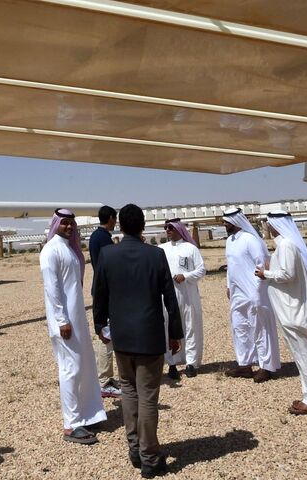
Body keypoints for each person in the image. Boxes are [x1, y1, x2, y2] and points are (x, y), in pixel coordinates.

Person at [93, 204, 183, 478]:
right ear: (143, 225)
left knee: (129, 392)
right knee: (148, 397)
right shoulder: (155, 255)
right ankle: (150, 457)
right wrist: (175, 333)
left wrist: (100, 325)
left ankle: (134, 448)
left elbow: (99, 293)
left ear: (120, 226)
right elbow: (170, 297)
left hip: (122, 337)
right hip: (149, 338)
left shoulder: (108, 254)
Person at [40, 208, 107, 444]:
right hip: (65, 322)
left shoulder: (69, 248)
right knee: (71, 369)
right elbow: (52, 288)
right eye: (65, 222)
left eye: (72, 223)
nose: (69, 226)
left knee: (84, 366)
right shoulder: (51, 250)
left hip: (76, 319)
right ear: (56, 224)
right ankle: (71, 424)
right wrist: (62, 320)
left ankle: (88, 414)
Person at [257, 213, 307, 414]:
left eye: (268, 223)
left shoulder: (287, 245)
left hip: (294, 313)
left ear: (275, 224)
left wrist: (265, 274)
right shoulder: (284, 246)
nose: (267, 226)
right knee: (302, 356)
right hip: (290, 311)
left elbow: (288, 274)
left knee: (305, 356)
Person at [222, 207, 280, 382]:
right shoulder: (230, 241)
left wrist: (258, 289)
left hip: (254, 292)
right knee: (240, 327)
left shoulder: (250, 240)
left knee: (260, 328)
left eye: (227, 221)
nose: (224, 224)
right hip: (237, 293)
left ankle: (266, 366)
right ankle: (245, 365)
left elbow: (262, 264)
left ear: (236, 221)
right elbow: (231, 266)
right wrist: (228, 286)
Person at [161, 218, 205, 380]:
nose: (167, 230)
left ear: (179, 229)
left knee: (189, 326)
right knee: (168, 328)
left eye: (171, 227)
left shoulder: (191, 248)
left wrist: (185, 276)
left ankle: (191, 363)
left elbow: (201, 270)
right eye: (166, 228)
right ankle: (171, 363)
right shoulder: (161, 249)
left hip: (187, 294)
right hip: (166, 296)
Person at [88, 205, 121, 398]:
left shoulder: (97, 236)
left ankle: (106, 377)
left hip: (102, 288)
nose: (115, 222)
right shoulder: (102, 238)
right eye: (114, 218)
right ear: (110, 218)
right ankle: (104, 381)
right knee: (105, 335)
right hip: (105, 290)